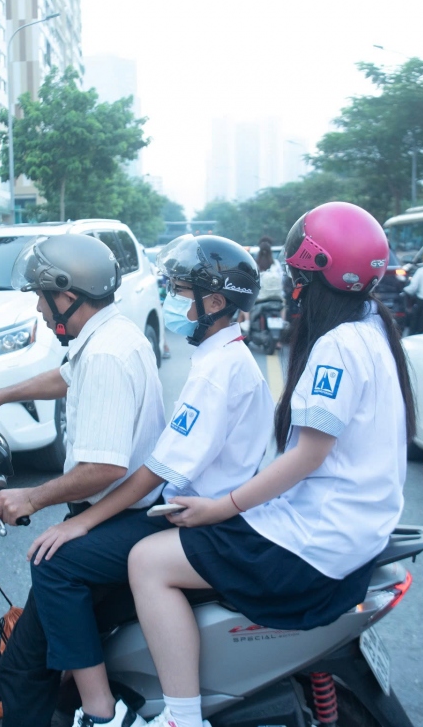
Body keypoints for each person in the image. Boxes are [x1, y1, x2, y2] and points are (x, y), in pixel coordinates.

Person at [125, 201, 415, 727]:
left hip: (320, 536)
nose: (291, 281)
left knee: (147, 560)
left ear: (311, 276)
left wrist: (220, 508)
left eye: (296, 271)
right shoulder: (373, 328)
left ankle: (181, 718)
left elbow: (307, 455)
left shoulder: (337, 347)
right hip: (354, 524)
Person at [23, 235, 273, 727]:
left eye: (179, 291)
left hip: (193, 521)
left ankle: (100, 711)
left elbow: (156, 472)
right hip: (195, 510)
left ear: (215, 303)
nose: (169, 300)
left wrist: (81, 522)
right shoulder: (221, 358)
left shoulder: (218, 372)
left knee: (56, 562)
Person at [0, 233, 166, 726]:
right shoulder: (109, 335)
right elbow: (66, 377)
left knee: (52, 564)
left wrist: (31, 498)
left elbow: (104, 469)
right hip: (130, 507)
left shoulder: (103, 355)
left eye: (40, 296)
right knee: (27, 656)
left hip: (127, 515)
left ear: (66, 293)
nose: (37, 308)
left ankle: (101, 714)